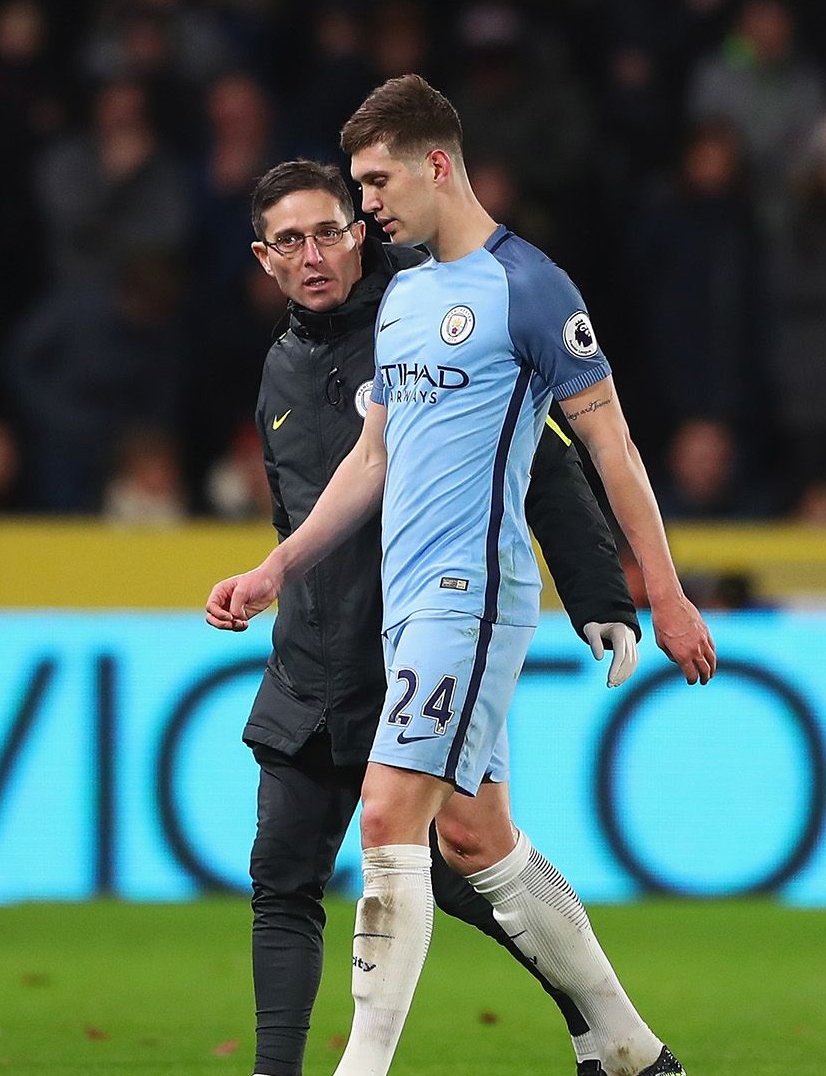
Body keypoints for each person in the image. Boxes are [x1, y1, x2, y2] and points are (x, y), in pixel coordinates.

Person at [206, 76, 716, 1076]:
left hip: (471, 599)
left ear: (436, 165)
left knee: (388, 815)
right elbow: (373, 459)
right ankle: (630, 1051)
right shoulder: (405, 298)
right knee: (478, 843)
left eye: (374, 183)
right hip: (408, 609)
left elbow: (608, 448)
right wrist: (277, 566)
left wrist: (660, 592)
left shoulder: (531, 288)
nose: (366, 207)